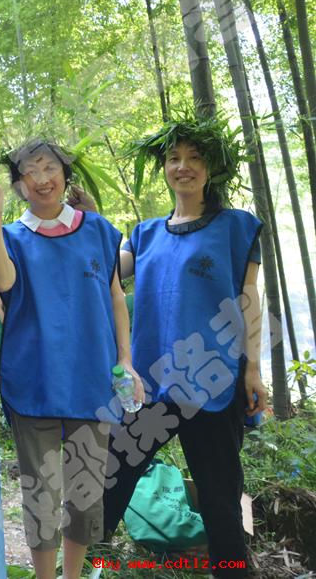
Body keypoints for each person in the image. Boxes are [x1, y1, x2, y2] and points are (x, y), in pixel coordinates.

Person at [102, 121, 267, 578]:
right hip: (150, 382)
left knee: (219, 496)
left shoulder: (236, 226)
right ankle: (86, 563)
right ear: (164, 168)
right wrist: (86, 224)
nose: (183, 166)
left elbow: (249, 300)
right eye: (174, 158)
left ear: (211, 167)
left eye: (195, 158)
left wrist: (253, 369)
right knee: (111, 477)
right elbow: (106, 276)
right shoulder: (145, 234)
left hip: (212, 378)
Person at [0, 138, 142, 579]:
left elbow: (116, 297)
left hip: (92, 381)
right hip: (32, 381)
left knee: (86, 494)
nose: (42, 179)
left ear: (65, 174)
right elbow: (2, 282)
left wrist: (126, 360)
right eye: (30, 172)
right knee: (41, 494)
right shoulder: (12, 237)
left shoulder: (99, 230)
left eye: (49, 167)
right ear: (18, 185)